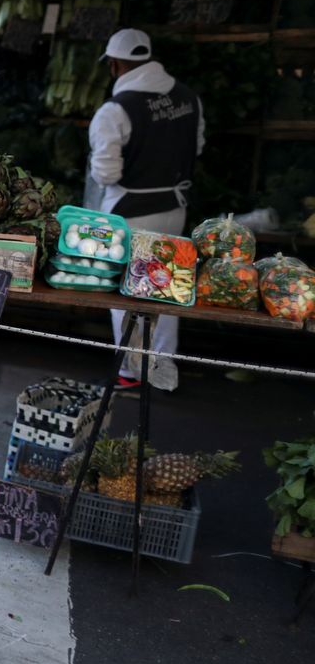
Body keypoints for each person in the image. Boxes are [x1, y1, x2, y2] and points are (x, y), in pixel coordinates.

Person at [87, 28, 205, 392]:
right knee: (166, 288)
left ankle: (131, 371)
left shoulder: (116, 110)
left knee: (125, 294)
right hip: (173, 207)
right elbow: (197, 148)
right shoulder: (189, 99)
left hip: (130, 211)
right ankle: (162, 371)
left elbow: (106, 172)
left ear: (115, 65)